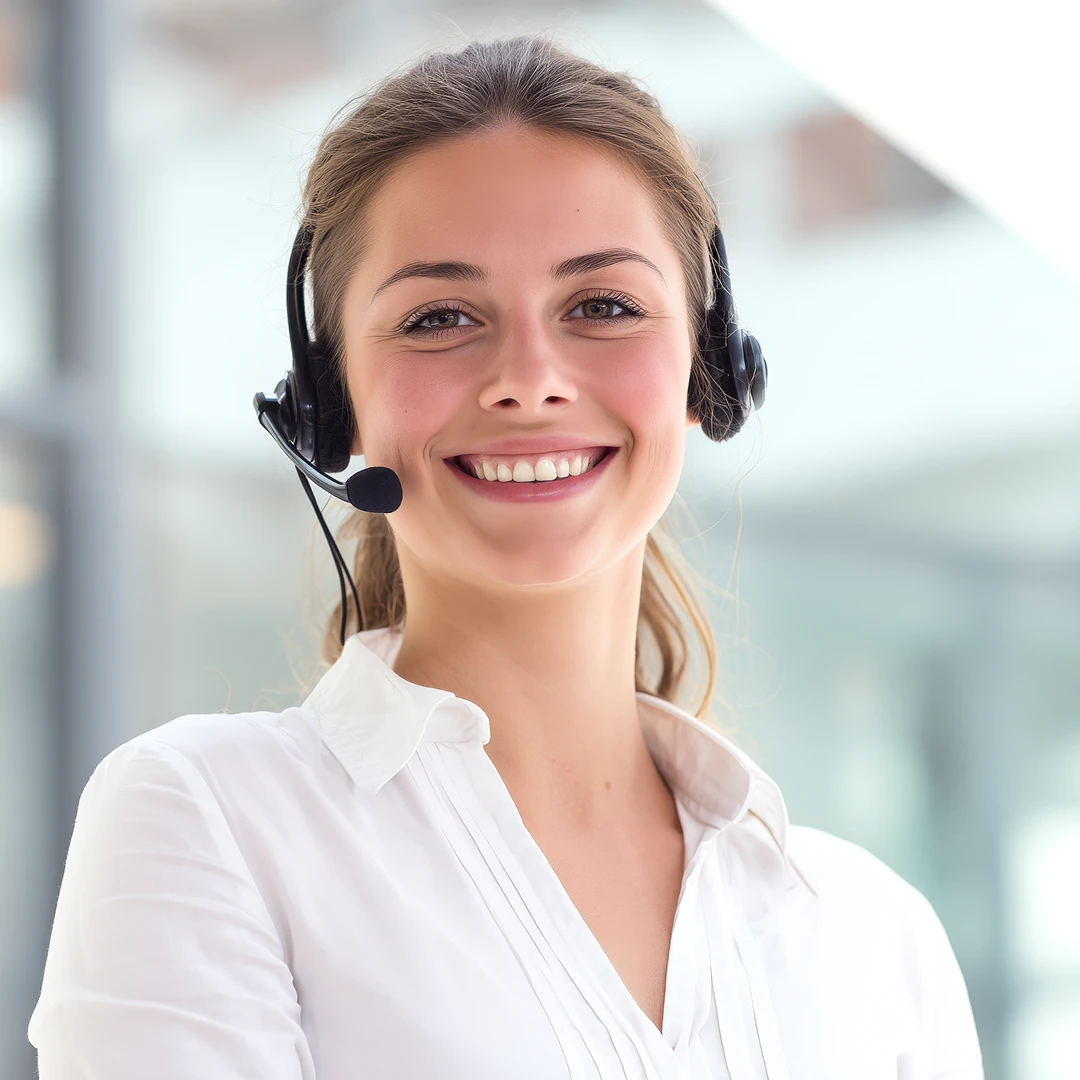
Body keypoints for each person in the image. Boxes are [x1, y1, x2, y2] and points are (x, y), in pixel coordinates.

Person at [28, 34, 983, 1080]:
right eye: (439, 318)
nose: (529, 379)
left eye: (603, 306)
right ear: (328, 404)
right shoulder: (211, 820)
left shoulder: (876, 938)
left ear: (709, 368)